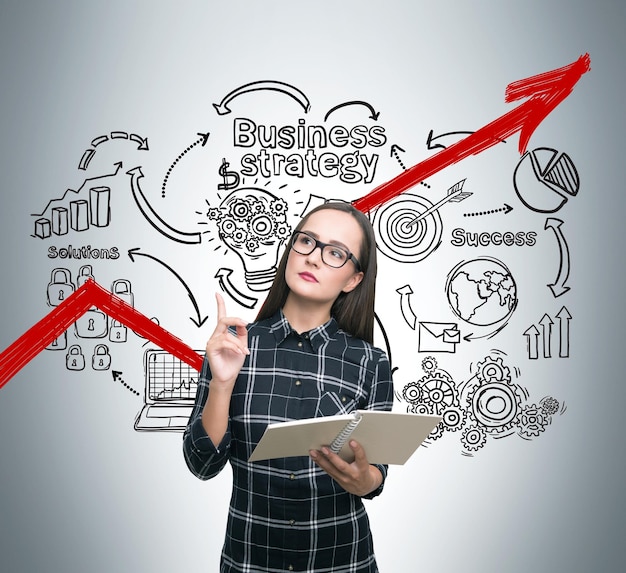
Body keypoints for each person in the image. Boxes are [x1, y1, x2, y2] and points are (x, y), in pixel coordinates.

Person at [183, 201, 394, 572]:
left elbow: (374, 475)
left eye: (335, 253)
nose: (313, 258)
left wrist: (364, 481)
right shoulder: (234, 347)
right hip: (249, 563)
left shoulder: (370, 363)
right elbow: (202, 465)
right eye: (307, 242)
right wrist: (222, 382)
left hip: (343, 564)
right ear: (291, 249)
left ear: (353, 279)